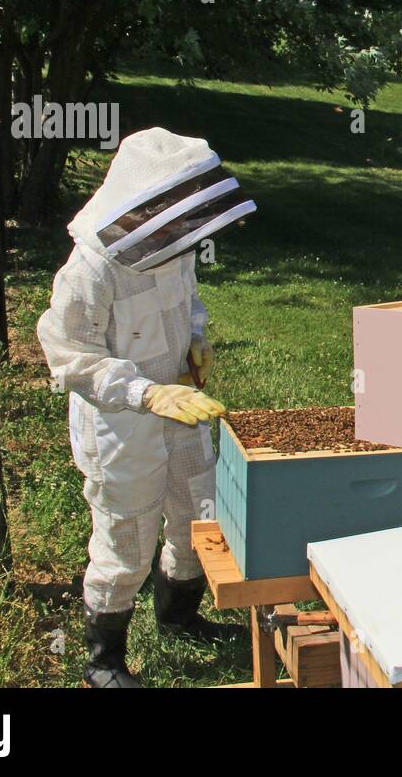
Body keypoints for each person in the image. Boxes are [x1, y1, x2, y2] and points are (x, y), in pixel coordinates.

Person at [37, 127, 256, 688]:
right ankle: (103, 660)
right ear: (144, 205)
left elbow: (190, 305)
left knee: (197, 512)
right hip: (121, 425)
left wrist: (195, 344)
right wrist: (144, 392)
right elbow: (69, 355)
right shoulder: (91, 269)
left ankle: (180, 616)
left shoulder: (174, 248)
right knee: (127, 535)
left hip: (182, 410)